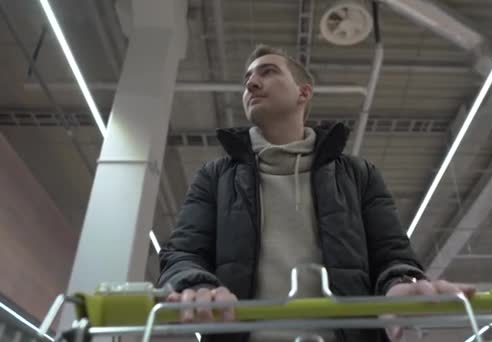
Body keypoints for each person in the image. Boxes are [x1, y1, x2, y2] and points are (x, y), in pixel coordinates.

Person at [158, 44, 475, 342]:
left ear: (303, 93)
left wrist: (400, 284)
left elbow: (391, 255)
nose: (252, 84)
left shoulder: (358, 175)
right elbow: (182, 253)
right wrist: (196, 284)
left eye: (267, 72)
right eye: (247, 79)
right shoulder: (215, 178)